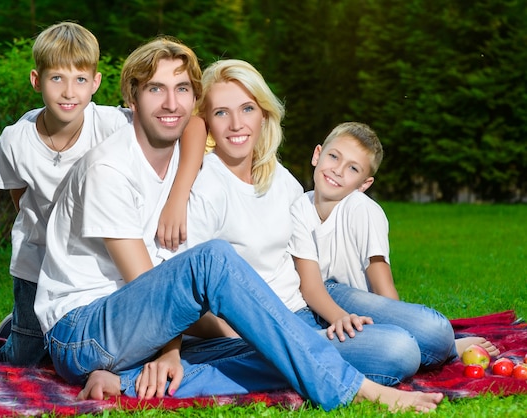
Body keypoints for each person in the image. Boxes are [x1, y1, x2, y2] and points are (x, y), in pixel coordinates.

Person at [34, 38, 443, 413]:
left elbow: (194, 123)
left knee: (391, 351)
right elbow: (151, 288)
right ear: (132, 98)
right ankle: (352, 387)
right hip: (83, 328)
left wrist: (270, 336)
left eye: (181, 90)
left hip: (140, 322)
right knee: (214, 261)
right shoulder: (110, 169)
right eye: (155, 89)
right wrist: (170, 350)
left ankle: (134, 380)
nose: (170, 103)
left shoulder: (181, 149)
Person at [157, 59, 424, 386]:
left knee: (432, 334)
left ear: (264, 114)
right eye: (221, 113)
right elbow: (178, 291)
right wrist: (241, 334)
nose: (237, 124)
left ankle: (303, 364)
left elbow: (308, 271)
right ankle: (263, 368)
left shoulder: (280, 179)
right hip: (253, 331)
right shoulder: (206, 185)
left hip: (304, 314)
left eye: (247, 109)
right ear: (208, 123)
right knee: (399, 349)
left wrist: (337, 317)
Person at [0, 22, 205, 366]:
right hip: (38, 261)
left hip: (93, 266)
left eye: (79, 80)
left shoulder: (110, 124)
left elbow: (192, 124)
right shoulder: (15, 140)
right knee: (24, 360)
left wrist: (177, 197)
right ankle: (19, 327)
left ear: (96, 83)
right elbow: (20, 199)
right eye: (56, 78)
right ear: (36, 80)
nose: (68, 92)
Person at [288, 121, 499, 372]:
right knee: (401, 351)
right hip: (315, 307)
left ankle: (444, 347)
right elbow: (311, 287)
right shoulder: (298, 208)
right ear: (317, 155)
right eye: (333, 157)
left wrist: (398, 325)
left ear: (364, 184)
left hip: (358, 306)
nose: (338, 170)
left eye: (352, 168)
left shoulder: (362, 209)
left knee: (438, 332)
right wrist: (339, 318)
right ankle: (418, 350)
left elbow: (382, 287)